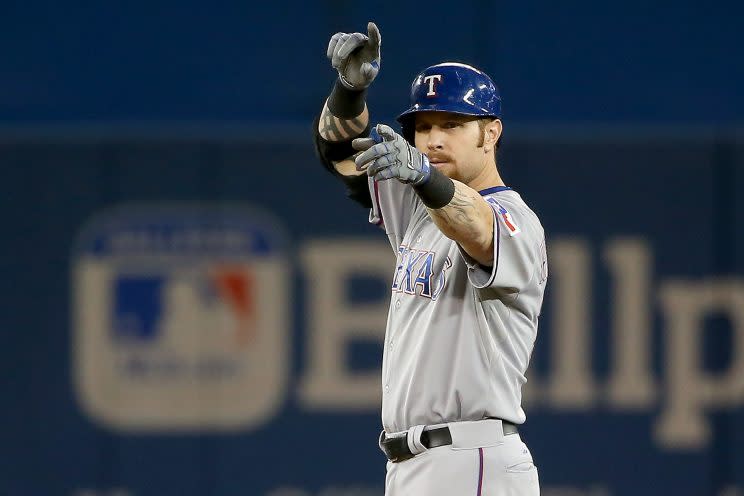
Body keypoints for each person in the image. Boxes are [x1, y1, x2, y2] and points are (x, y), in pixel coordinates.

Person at [313, 21, 547, 496]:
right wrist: (348, 92)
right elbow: (339, 154)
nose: (434, 140)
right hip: (407, 466)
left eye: (452, 125)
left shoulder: (516, 218)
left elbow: (477, 226)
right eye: (423, 127)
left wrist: (424, 178)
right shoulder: (416, 207)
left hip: (473, 458)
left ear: (491, 132)